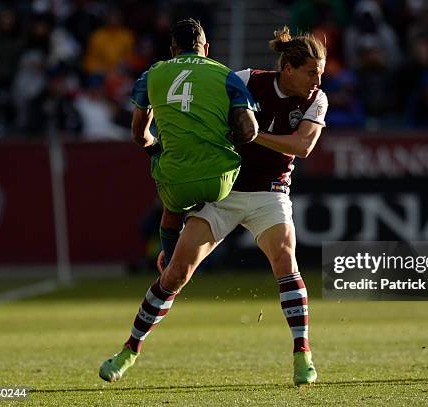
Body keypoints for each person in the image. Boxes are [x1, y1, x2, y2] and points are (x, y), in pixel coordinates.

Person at [99, 26, 327, 386]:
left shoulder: (317, 99)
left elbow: (302, 146)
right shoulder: (244, 79)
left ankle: (303, 356)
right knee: (174, 274)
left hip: (270, 192)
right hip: (224, 189)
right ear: (288, 68)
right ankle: (128, 351)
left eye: (320, 72)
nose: (318, 80)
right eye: (312, 71)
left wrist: (253, 135)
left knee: (286, 259)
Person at [99, 18, 258, 381]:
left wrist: (156, 146)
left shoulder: (153, 74)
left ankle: (168, 261)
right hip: (222, 181)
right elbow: (249, 131)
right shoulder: (226, 75)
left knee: (170, 194)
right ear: (206, 48)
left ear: (172, 50)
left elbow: (139, 136)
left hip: (177, 184)